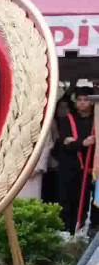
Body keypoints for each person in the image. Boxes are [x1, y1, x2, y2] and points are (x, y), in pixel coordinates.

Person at [57, 86, 95, 235]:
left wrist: (74, 143)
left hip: (89, 169)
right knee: (66, 203)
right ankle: (66, 232)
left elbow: (71, 142)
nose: (82, 103)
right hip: (69, 168)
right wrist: (82, 143)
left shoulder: (95, 121)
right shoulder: (66, 120)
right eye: (79, 100)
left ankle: (81, 232)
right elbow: (63, 143)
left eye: (86, 100)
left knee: (85, 203)